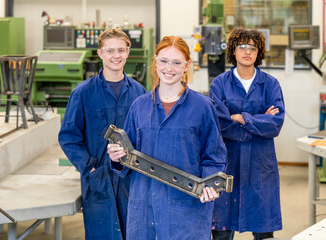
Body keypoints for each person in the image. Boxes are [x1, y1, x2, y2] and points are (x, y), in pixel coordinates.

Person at [107, 36, 227, 240]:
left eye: (177, 62)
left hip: (186, 210)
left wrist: (210, 185)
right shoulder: (139, 106)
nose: (169, 68)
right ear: (155, 61)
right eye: (163, 61)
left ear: (187, 65)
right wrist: (116, 157)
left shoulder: (203, 107)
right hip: (144, 207)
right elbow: (126, 159)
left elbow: (214, 156)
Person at [58, 28, 146, 240]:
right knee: (102, 232)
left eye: (121, 50)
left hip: (131, 177)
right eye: (110, 50)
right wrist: (90, 167)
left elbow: (145, 135)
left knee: (133, 232)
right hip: (99, 178)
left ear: (128, 52)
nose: (116, 55)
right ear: (100, 54)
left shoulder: (139, 92)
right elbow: (69, 136)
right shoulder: (83, 92)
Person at [209, 28, 285, 240]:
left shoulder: (270, 84)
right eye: (242, 46)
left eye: (252, 47)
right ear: (233, 50)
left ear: (258, 52)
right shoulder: (219, 84)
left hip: (260, 164)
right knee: (221, 228)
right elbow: (221, 123)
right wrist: (259, 120)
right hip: (228, 160)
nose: (247, 52)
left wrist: (242, 118)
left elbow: (276, 124)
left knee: (263, 229)